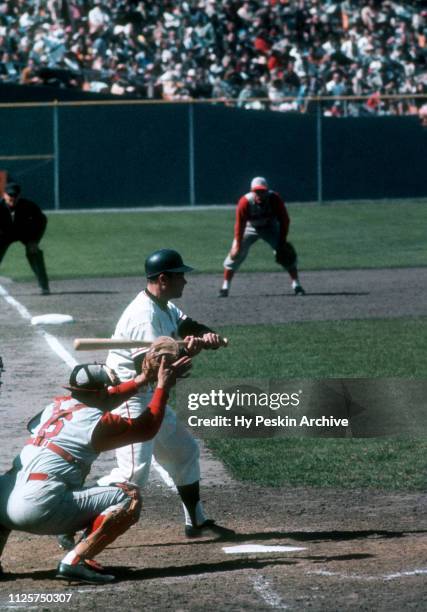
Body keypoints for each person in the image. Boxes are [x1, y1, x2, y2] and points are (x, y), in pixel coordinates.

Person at [0, 342, 191, 584]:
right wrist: (161, 386)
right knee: (128, 496)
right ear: (99, 393)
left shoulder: (54, 407)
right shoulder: (98, 422)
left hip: (4, 505)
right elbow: (147, 428)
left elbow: (105, 397)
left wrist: (143, 379)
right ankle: (73, 562)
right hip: (38, 508)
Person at [96, 248, 233, 539]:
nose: (185, 281)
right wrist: (186, 349)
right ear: (163, 278)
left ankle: (195, 522)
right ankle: (75, 514)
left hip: (152, 394)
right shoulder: (143, 315)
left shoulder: (163, 304)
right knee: (132, 475)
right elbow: (148, 365)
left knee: (184, 452)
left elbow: (188, 325)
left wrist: (205, 335)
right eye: (180, 276)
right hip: (130, 398)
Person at [219, 177, 305, 297]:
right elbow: (240, 224)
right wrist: (238, 245)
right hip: (250, 228)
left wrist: (282, 241)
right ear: (252, 191)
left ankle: (297, 285)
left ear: (267, 190)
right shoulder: (245, 202)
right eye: (257, 191)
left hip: (270, 227)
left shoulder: (274, 199)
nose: (260, 193)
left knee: (286, 255)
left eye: (262, 191)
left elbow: (284, 220)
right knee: (235, 255)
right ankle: (225, 287)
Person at [0, 183, 50, 295]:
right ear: (4, 195)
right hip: (4, 234)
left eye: (15, 195)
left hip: (24, 233)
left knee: (34, 252)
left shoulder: (28, 205)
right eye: (10, 195)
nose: (12, 197)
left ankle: (44, 286)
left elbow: (42, 220)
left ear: (19, 196)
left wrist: (35, 240)